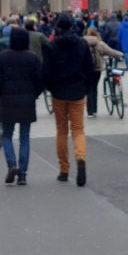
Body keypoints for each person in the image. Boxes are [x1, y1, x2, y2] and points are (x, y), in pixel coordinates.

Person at [42, 12, 93, 186]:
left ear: (57, 27)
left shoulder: (51, 46)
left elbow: (46, 72)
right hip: (78, 91)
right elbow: (89, 68)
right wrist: (86, 87)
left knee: (61, 131)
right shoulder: (82, 44)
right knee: (78, 130)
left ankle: (64, 170)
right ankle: (80, 157)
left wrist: (50, 88)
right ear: (72, 26)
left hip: (59, 93)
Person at [0, 27, 43, 184]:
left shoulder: (2, 57)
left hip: (7, 100)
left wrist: (0, 94)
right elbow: (39, 81)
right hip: (27, 100)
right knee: (24, 137)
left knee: (7, 135)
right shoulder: (32, 58)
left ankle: (12, 164)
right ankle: (23, 174)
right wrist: (35, 95)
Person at [83, 27, 122, 117]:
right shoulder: (99, 43)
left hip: (86, 70)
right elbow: (111, 52)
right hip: (97, 69)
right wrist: (120, 54)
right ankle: (95, 110)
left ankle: (90, 112)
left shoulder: (82, 43)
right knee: (94, 88)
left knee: (88, 89)